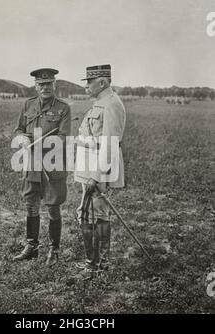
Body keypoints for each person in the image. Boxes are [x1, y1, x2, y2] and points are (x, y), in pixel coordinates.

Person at [13, 68, 71, 267]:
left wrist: (41, 143)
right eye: (41, 84)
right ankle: (32, 246)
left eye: (49, 84)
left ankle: (54, 250)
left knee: (53, 208)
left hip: (52, 166)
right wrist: (21, 139)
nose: (45, 88)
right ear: (36, 86)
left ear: (54, 85)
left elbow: (63, 138)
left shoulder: (63, 108)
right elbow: (19, 128)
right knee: (31, 206)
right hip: (32, 165)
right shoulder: (28, 105)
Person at [74, 64, 126, 279]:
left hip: (98, 170)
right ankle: (99, 264)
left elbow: (110, 144)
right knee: (94, 215)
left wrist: (97, 175)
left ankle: (93, 266)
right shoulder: (101, 103)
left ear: (102, 82)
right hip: (90, 167)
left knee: (90, 215)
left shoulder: (111, 104)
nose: (86, 86)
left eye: (89, 82)